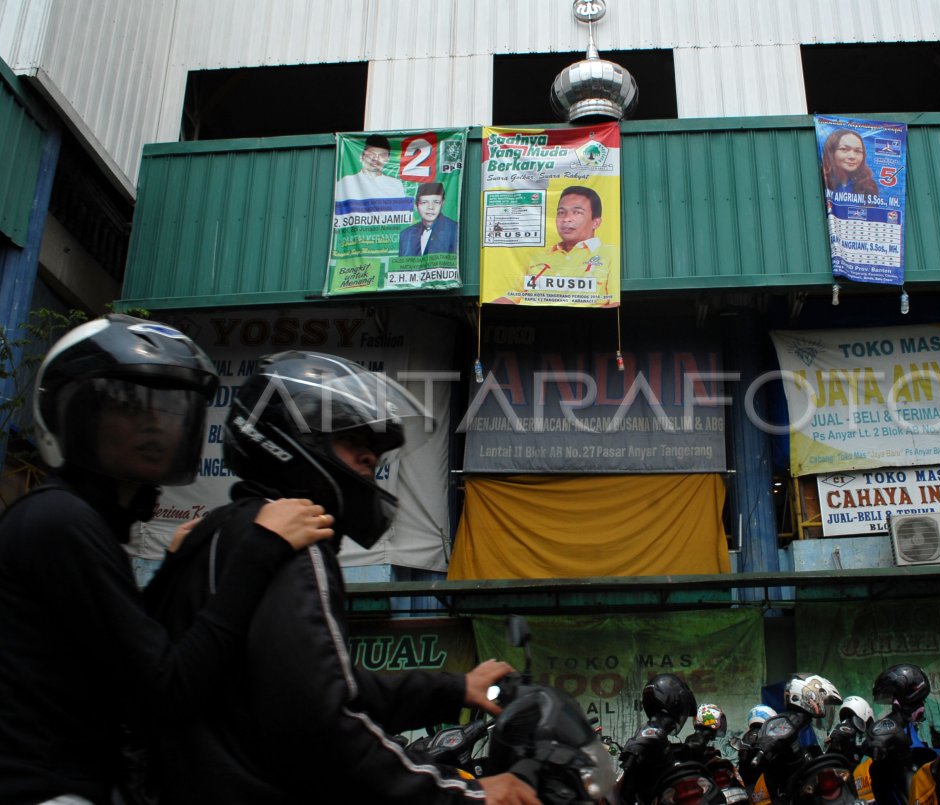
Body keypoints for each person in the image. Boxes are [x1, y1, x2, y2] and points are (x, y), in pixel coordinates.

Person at [144, 351, 539, 804]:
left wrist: (456, 688)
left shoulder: (218, 533)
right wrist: (464, 794)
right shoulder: (290, 547)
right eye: (352, 440)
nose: (370, 457)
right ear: (289, 440)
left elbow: (319, 682)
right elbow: (322, 721)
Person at [0, 314, 334, 805]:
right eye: (127, 405)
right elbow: (167, 691)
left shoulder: (73, 520)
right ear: (72, 413)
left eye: (167, 406)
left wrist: (173, 568)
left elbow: (132, 656)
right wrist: (259, 551)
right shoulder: (60, 522)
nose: (154, 421)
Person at [526, 185, 619, 296]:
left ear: (596, 222)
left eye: (577, 212)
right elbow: (512, 297)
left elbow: (614, 301)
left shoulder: (612, 255)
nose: (566, 219)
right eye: (561, 212)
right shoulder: (538, 257)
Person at [334, 133, 408, 201]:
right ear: (361, 156)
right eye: (371, 154)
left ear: (387, 159)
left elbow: (401, 212)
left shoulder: (395, 185)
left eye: (382, 155)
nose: (375, 158)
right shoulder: (346, 182)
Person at [398, 181, 459, 257]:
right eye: (424, 202)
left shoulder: (455, 230)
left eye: (436, 202)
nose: (430, 207)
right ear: (416, 206)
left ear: (442, 203)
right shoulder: (406, 235)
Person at [821, 129, 880, 196]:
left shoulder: (868, 186)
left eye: (858, 151)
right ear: (831, 152)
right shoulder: (821, 180)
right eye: (844, 149)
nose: (852, 156)